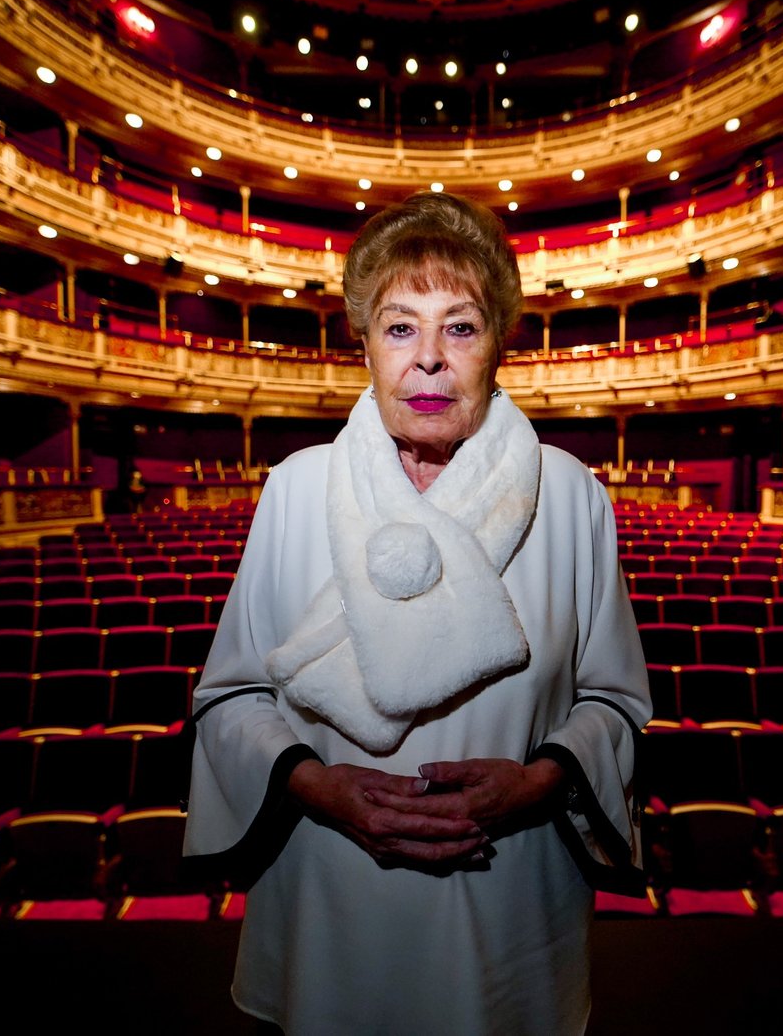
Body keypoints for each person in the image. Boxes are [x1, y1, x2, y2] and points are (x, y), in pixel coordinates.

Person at [182, 191, 651, 1035]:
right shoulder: (295, 489)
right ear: (363, 343)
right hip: (329, 888)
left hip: (510, 895)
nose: (429, 358)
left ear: (499, 343)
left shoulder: (572, 495)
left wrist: (540, 780)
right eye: (400, 327)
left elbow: (613, 702)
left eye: (459, 327)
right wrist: (316, 785)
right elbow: (231, 698)